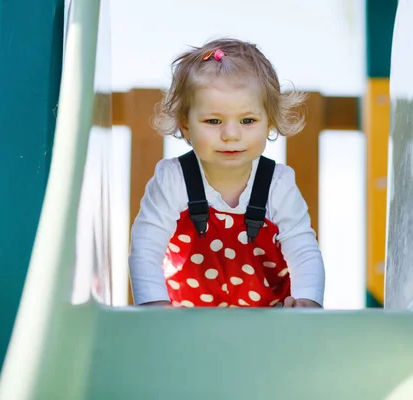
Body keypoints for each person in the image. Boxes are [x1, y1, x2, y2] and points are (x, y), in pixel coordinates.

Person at [128, 38, 325, 308]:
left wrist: (307, 301)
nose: (231, 135)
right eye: (213, 121)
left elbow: (302, 249)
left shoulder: (277, 184)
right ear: (186, 126)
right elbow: (146, 248)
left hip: (270, 322)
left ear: (269, 122)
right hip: (188, 321)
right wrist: (153, 307)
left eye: (247, 120)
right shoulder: (173, 180)